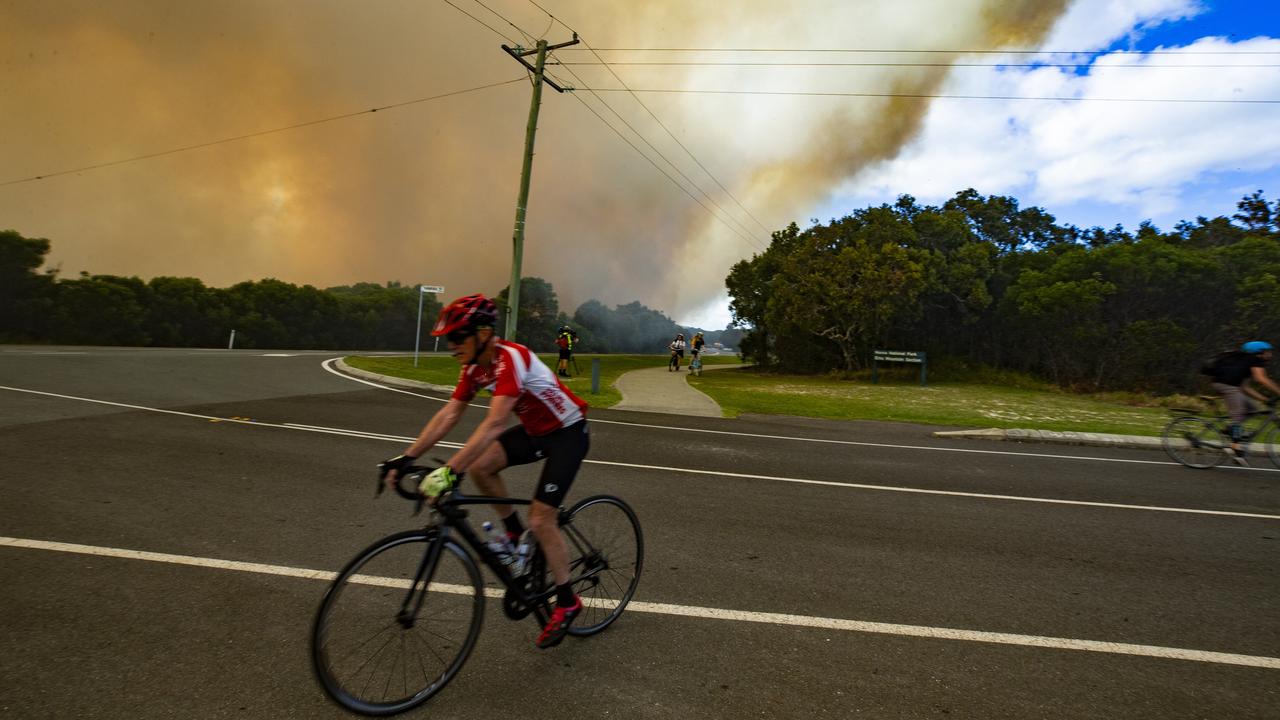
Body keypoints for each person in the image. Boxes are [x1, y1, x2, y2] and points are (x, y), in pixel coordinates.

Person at [379, 294, 590, 648]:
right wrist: (406, 456)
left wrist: (448, 471)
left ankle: (568, 601)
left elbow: (494, 424)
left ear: (482, 333)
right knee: (481, 467)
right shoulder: (475, 368)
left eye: (458, 338)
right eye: (450, 340)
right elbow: (450, 414)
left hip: (567, 432)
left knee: (541, 519)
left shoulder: (511, 359)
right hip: (537, 431)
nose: (452, 347)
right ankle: (512, 536)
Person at [1208, 340, 1280, 465]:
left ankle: (1231, 429)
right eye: (1268, 351)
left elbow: (1245, 388)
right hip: (1226, 386)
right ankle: (1236, 448)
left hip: (1231, 386)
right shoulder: (1254, 360)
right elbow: (1261, 379)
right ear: (1259, 352)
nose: (1270, 354)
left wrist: (1265, 399)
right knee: (1238, 413)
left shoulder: (1245, 362)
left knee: (1252, 410)